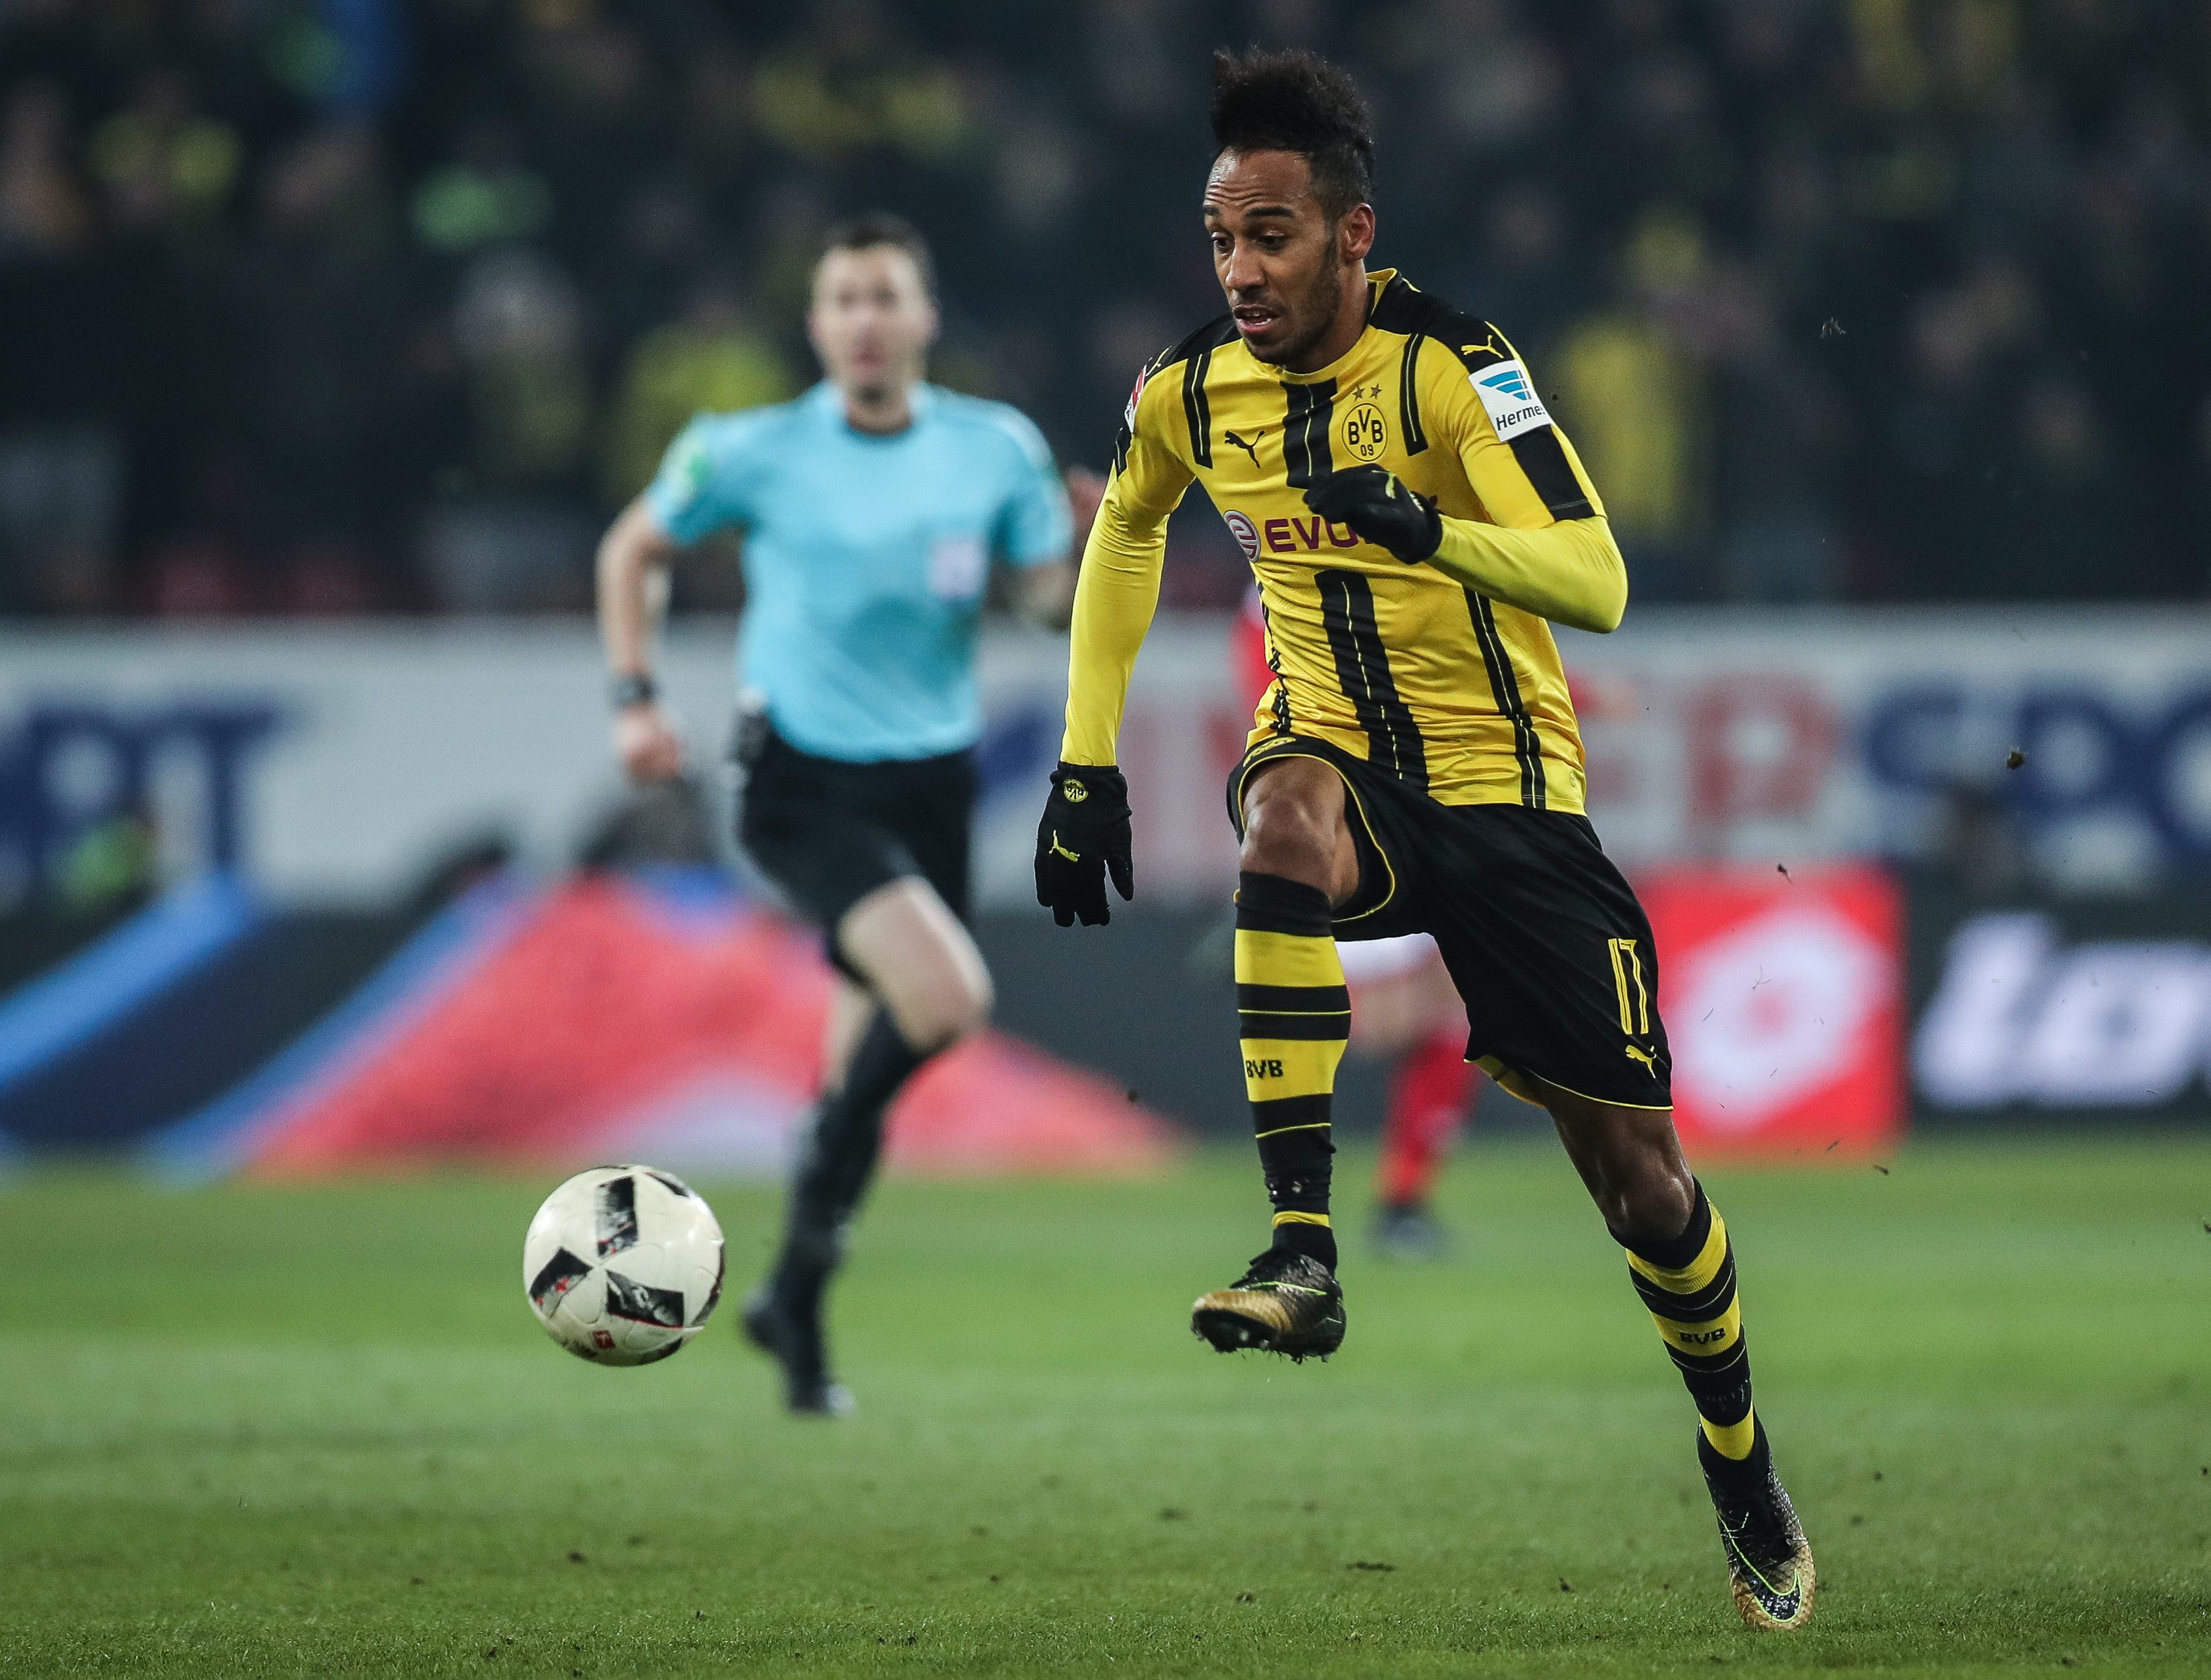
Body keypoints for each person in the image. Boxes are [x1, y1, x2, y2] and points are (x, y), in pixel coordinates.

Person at [1032, 51, 1814, 1632]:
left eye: (1268, 234)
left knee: (1640, 1188)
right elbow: (1125, 527)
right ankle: (1303, 1248)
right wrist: (1082, 764)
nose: (1239, 269)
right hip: (1339, 759)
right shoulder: (1187, 389)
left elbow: (1594, 578)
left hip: (1510, 798)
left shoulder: (1460, 366)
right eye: (1218, 237)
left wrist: (1422, 526)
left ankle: (1741, 1465)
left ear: (1350, 234)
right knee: (1279, 815)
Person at [597, 212, 1087, 1417]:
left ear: (924, 319)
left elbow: (1044, 609)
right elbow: (632, 550)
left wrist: (1088, 544)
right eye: (845, 300)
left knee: (866, 1051)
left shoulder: (994, 450)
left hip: (929, 781)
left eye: (887, 298)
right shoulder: (751, 449)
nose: (867, 321)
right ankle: (811, 1201)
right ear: (818, 325)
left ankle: (797, 1317)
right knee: (948, 1000)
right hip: (798, 781)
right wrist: (634, 700)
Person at [1232, 586, 1483, 1258]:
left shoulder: (1362, 566)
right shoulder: (1284, 589)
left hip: (1401, 818)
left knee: (1448, 1019)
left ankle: (1397, 1201)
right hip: (1347, 825)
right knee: (1407, 1022)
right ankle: (1317, 1208)